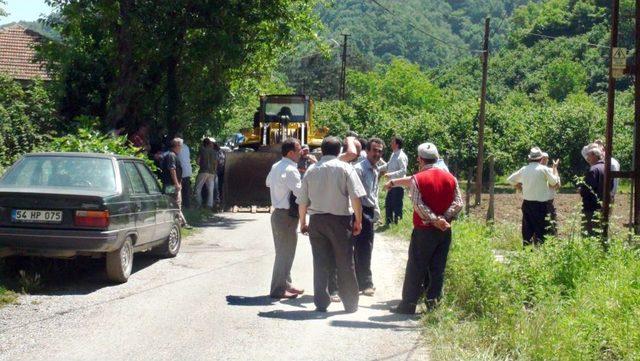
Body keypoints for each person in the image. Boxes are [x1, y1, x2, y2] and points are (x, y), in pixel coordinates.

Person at [383, 142, 463, 314]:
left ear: (420, 159)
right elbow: (459, 202)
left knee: (416, 266)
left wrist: (434, 220)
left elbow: (418, 205)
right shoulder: (451, 178)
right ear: (436, 158)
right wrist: (444, 218)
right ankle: (433, 304)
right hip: (444, 231)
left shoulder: (418, 179)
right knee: (438, 267)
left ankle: (408, 305)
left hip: (423, 230)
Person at [297, 136, 366, 313]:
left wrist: (303, 222)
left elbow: (303, 200)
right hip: (340, 222)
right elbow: (355, 197)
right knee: (345, 262)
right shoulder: (345, 168)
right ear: (338, 151)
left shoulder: (311, 170)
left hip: (317, 222)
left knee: (320, 262)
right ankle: (350, 304)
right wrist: (358, 221)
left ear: (322, 151)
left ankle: (321, 302)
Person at [265, 138, 305, 299]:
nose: (301, 152)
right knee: (285, 254)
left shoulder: (276, 166)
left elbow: (268, 182)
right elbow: (300, 193)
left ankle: (285, 284)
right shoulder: (291, 170)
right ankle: (277, 289)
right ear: (291, 153)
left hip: (278, 215)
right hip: (287, 216)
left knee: (284, 252)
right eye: (299, 150)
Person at [507, 147, 560, 246]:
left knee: (527, 231)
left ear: (529, 158)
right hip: (541, 206)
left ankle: (527, 253)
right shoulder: (544, 169)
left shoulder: (524, 169)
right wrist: (555, 169)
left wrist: (520, 187)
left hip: (527, 204)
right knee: (541, 231)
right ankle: (540, 254)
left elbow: (510, 179)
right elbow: (554, 182)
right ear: (540, 159)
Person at [353, 138, 384, 296]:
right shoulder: (359, 169)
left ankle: (360, 282)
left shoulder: (375, 168)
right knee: (362, 247)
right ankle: (365, 283)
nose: (377, 154)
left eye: (380, 151)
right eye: (374, 150)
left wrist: (376, 211)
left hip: (369, 211)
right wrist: (358, 217)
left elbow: (374, 192)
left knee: (365, 247)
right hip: (360, 210)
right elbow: (355, 195)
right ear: (367, 151)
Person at [580, 144, 608, 236]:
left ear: (594, 156)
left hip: (591, 207)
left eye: (588, 156)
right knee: (601, 232)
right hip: (604, 205)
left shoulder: (593, 170)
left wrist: (581, 189)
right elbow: (610, 187)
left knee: (589, 234)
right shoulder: (606, 169)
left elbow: (587, 190)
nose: (587, 158)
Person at [381, 135, 408, 225]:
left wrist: (390, 174)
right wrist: (376, 168)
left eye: (392, 142)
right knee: (388, 204)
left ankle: (397, 224)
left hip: (398, 185)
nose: (390, 143)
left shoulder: (401, 156)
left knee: (397, 206)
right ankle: (388, 223)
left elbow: (403, 170)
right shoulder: (393, 154)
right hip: (391, 185)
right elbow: (388, 165)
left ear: (397, 144)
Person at [161, 138, 188, 227]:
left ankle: (182, 223)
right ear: (177, 146)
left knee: (174, 203)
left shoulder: (171, 154)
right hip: (171, 185)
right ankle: (178, 224)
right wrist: (176, 183)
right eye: (180, 146)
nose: (181, 148)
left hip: (171, 184)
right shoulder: (171, 155)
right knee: (175, 203)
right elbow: (172, 169)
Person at [540, 152, 560, 234]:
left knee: (552, 224)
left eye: (546, 158)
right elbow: (553, 184)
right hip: (540, 202)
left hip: (549, 202)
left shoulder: (551, 170)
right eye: (543, 158)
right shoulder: (539, 171)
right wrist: (555, 168)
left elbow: (557, 185)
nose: (544, 160)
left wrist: (555, 168)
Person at [195, 137, 218, 208]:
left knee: (198, 188)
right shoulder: (214, 151)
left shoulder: (202, 150)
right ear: (209, 144)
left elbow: (198, 161)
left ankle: (199, 204)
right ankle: (209, 205)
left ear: (204, 144)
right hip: (212, 173)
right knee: (210, 190)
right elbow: (216, 163)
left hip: (203, 171)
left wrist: (201, 164)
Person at [176, 136, 193, 209]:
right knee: (187, 190)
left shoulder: (178, 147)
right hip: (188, 171)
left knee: (181, 190)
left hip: (181, 172)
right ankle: (188, 206)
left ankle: (181, 206)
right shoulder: (186, 147)